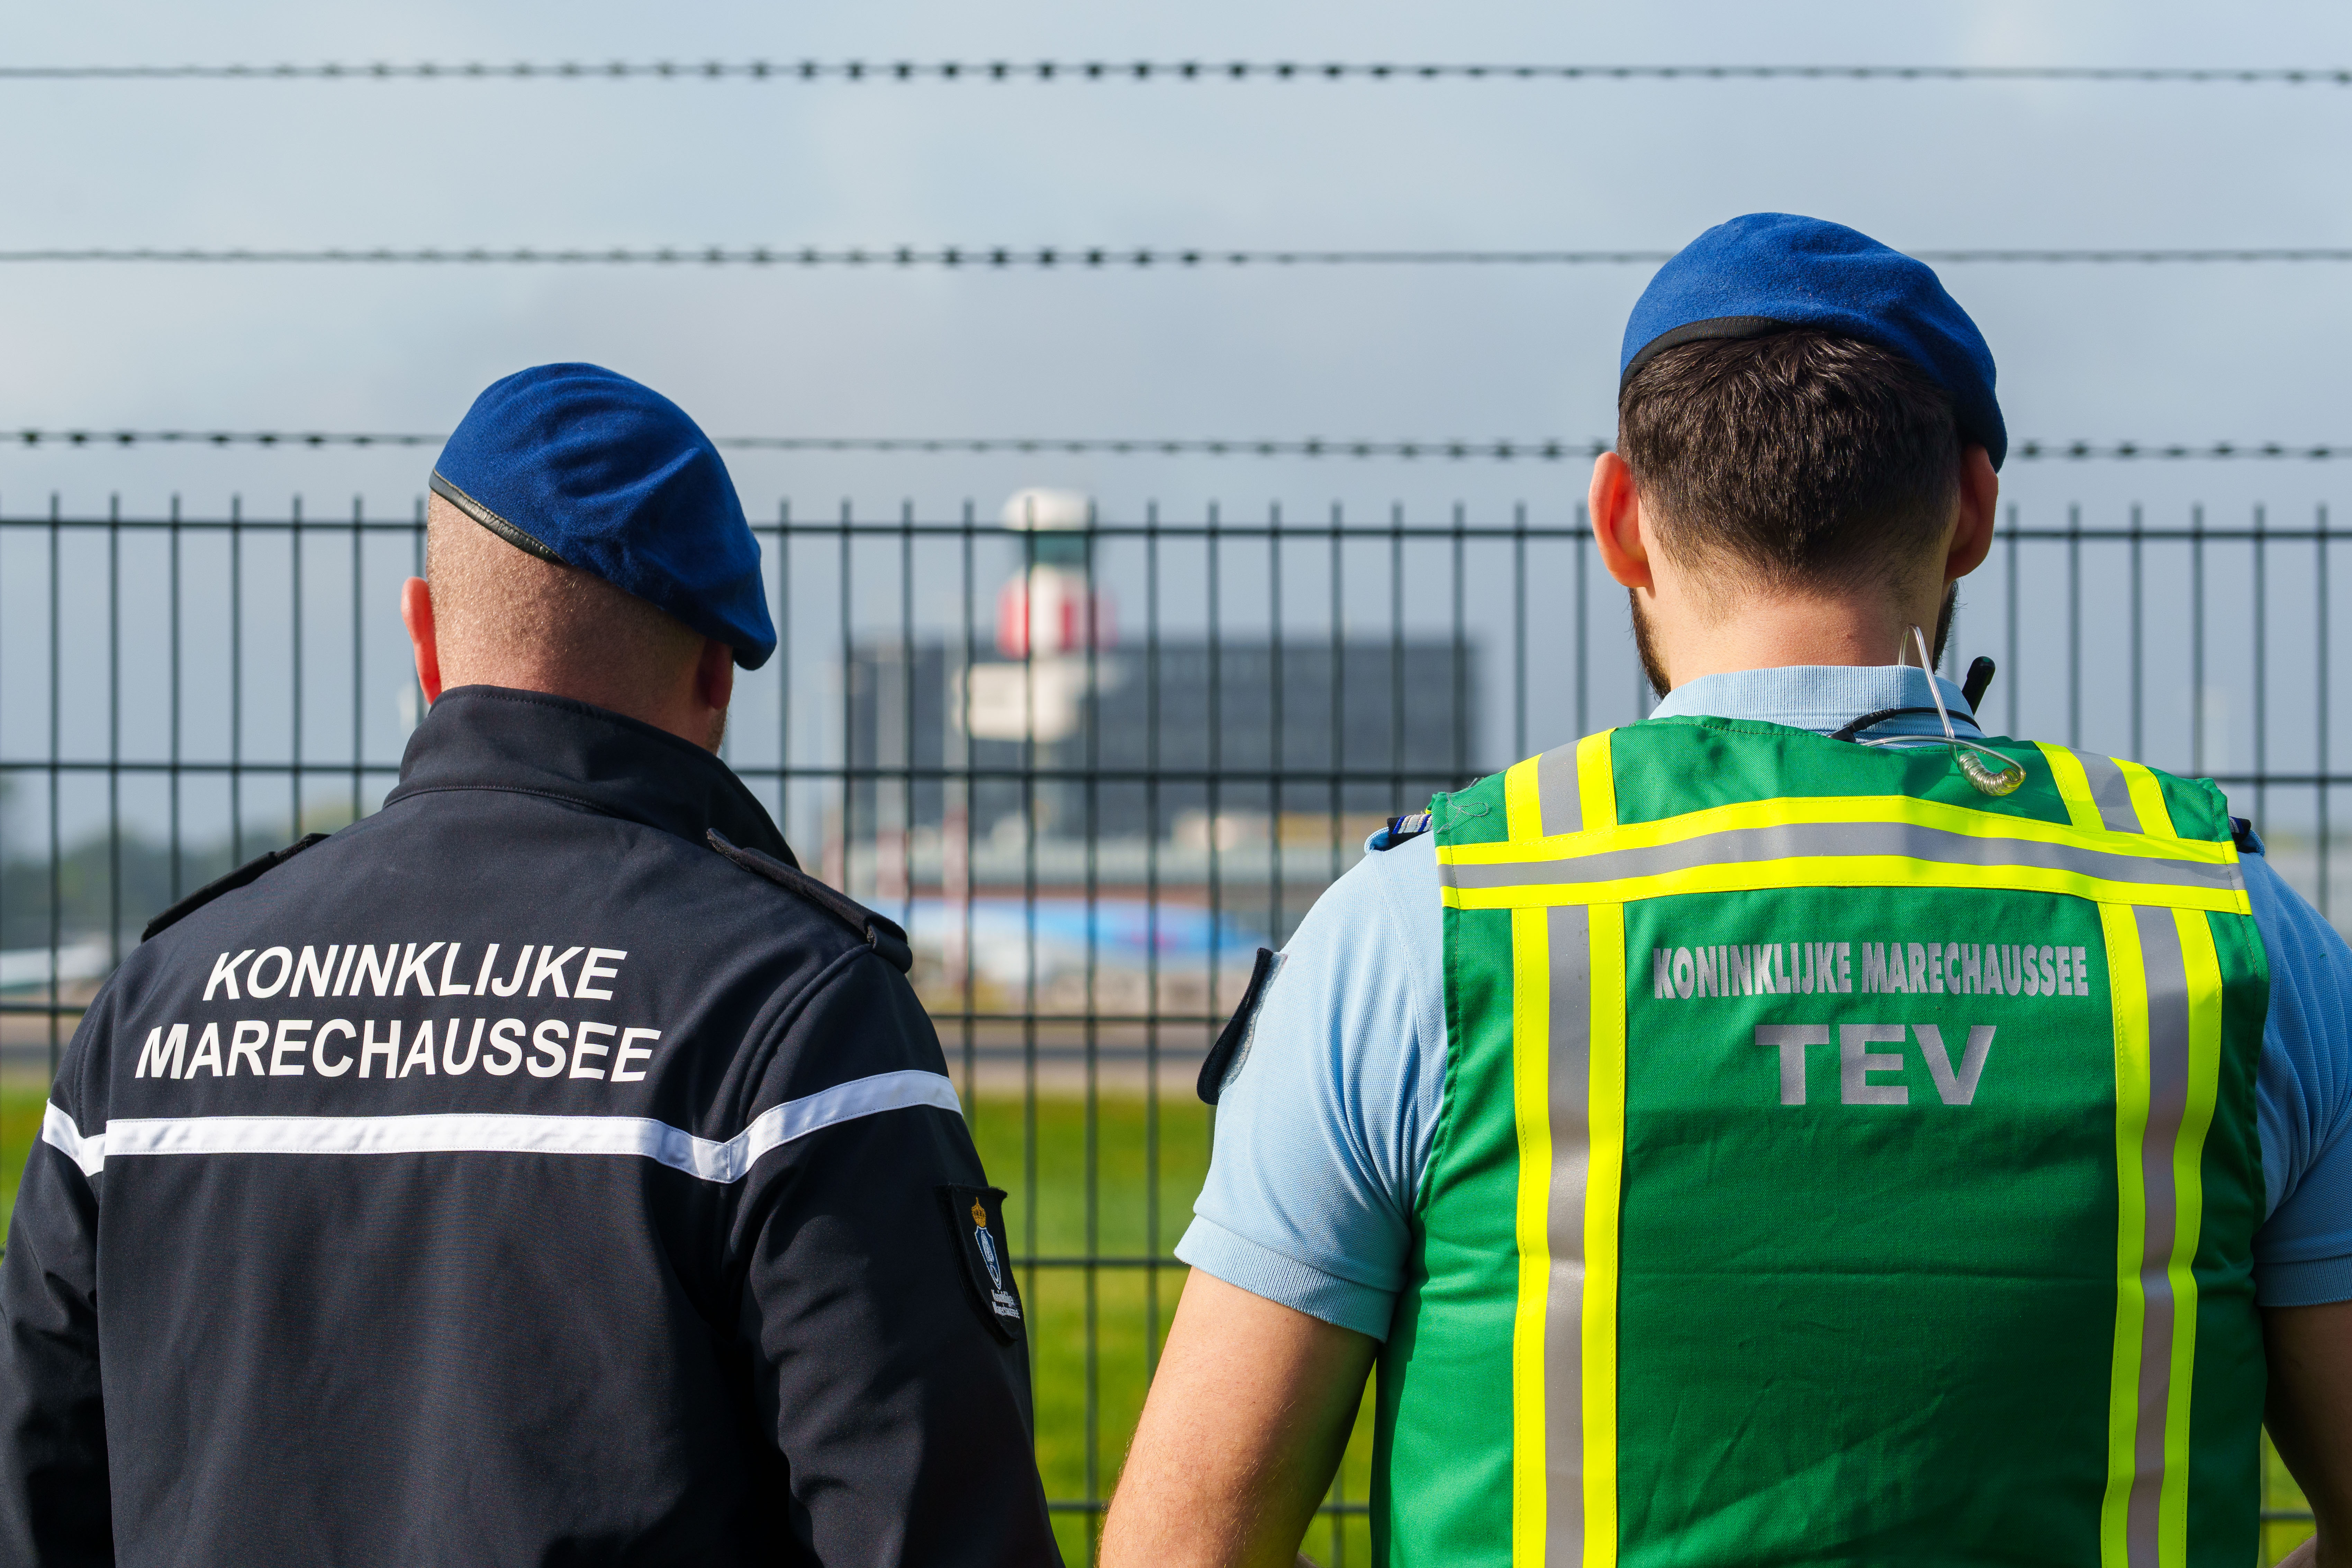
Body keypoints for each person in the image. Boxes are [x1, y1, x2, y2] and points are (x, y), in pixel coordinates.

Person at [1103, 215, 2352, 1567]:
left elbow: (1181, 1546)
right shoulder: (2222, 923)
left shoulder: (1429, 921)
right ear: (1973, 509)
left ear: (1619, 520)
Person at [0, 363, 1062, 1565]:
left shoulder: (150, 1017)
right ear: (717, 672)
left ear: (423, 634)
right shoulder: (797, 1019)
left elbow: (32, 1502)